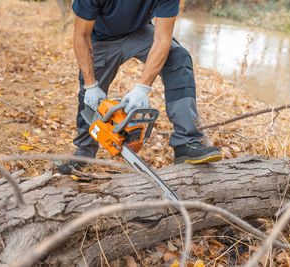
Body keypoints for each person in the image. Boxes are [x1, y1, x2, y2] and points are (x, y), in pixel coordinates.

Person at [58, 0, 222, 175]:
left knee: (178, 58)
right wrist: (91, 85)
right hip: (100, 38)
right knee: (88, 96)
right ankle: (84, 153)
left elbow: (162, 39)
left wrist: (142, 88)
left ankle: (186, 142)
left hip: (139, 33)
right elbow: (81, 35)